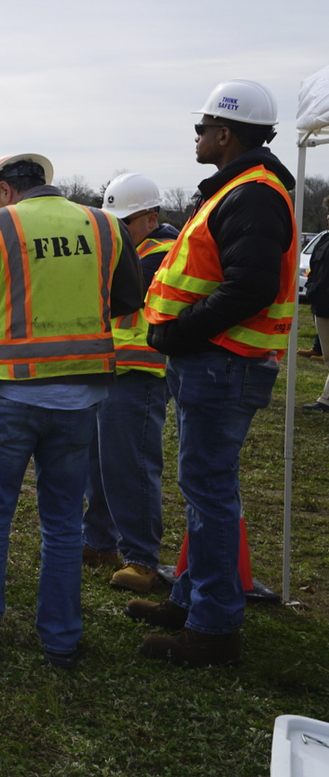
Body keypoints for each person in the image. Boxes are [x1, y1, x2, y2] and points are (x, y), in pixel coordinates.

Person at [0, 153, 143, 669]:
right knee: (64, 521)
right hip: (80, 400)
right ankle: (61, 639)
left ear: (4, 192)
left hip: (10, 395)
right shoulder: (106, 225)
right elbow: (128, 297)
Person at [129, 80, 296, 667]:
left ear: (225, 135)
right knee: (204, 489)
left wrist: (179, 332)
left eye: (201, 129)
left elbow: (250, 286)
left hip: (222, 363)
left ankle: (214, 626)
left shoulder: (252, 194)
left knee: (210, 494)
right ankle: (189, 598)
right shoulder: (240, 189)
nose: (196, 137)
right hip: (216, 363)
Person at [82, 173, 178, 592]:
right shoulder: (133, 249)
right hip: (111, 367)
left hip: (138, 372)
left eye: (127, 221)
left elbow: (114, 292)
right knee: (99, 464)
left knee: (130, 465)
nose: (118, 230)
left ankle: (141, 558)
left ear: (151, 218)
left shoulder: (162, 251)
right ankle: (99, 541)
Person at [301, 197, 329, 409]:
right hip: (321, 306)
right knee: (327, 356)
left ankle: (325, 400)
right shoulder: (324, 240)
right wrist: (311, 289)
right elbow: (314, 270)